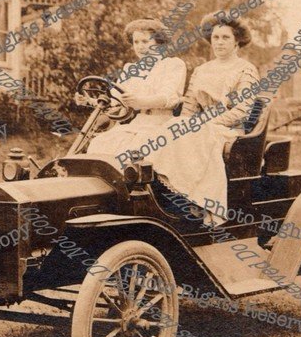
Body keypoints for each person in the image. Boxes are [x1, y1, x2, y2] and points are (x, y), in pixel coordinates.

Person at [149, 15, 260, 224]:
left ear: (237, 42)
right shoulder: (202, 70)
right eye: (215, 37)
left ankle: (200, 204)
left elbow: (242, 111)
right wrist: (186, 125)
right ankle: (172, 195)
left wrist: (208, 124)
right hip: (199, 127)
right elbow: (189, 108)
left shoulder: (246, 69)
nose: (219, 42)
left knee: (197, 134)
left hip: (229, 130)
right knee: (174, 128)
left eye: (225, 37)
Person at [82, 18, 186, 156]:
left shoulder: (172, 65)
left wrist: (139, 102)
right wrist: (89, 101)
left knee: (136, 148)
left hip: (161, 123)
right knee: (100, 143)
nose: (140, 46)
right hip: (137, 123)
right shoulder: (130, 69)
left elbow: (168, 97)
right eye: (136, 42)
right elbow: (114, 100)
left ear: (158, 42)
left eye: (145, 41)